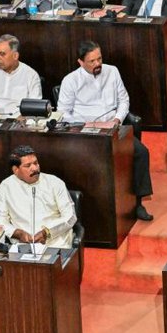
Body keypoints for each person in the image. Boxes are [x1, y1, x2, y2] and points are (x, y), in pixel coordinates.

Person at [58, 41, 155, 221]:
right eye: (92, 61)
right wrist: (85, 124)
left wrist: (117, 119)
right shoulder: (70, 81)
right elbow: (63, 113)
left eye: (99, 59)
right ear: (80, 62)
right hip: (87, 131)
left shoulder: (112, 71)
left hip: (113, 126)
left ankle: (138, 203)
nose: (97, 64)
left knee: (141, 152)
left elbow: (124, 100)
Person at [0, 145, 77, 249]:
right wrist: (17, 233)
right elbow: (0, 220)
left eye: (36, 163)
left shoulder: (55, 183)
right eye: (28, 165)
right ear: (16, 170)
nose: (34, 168)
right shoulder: (5, 187)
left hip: (56, 242)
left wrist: (47, 232)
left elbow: (70, 216)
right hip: (23, 245)